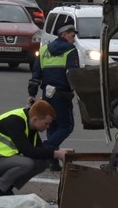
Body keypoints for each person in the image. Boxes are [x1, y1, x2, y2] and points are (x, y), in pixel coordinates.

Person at [0, 99, 73, 196]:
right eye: (46, 123)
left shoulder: (30, 123)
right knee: (26, 163)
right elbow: (28, 151)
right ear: (35, 120)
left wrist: (58, 151)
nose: (48, 127)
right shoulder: (15, 121)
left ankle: (6, 188)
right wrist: (56, 154)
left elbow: (39, 149)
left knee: (42, 163)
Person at [28, 21, 80, 170]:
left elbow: (36, 74)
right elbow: (73, 75)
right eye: (72, 34)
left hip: (47, 94)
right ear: (64, 34)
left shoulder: (44, 50)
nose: (74, 38)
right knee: (66, 125)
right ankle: (47, 147)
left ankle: (53, 160)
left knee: (52, 124)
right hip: (62, 94)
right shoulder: (71, 50)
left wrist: (32, 94)